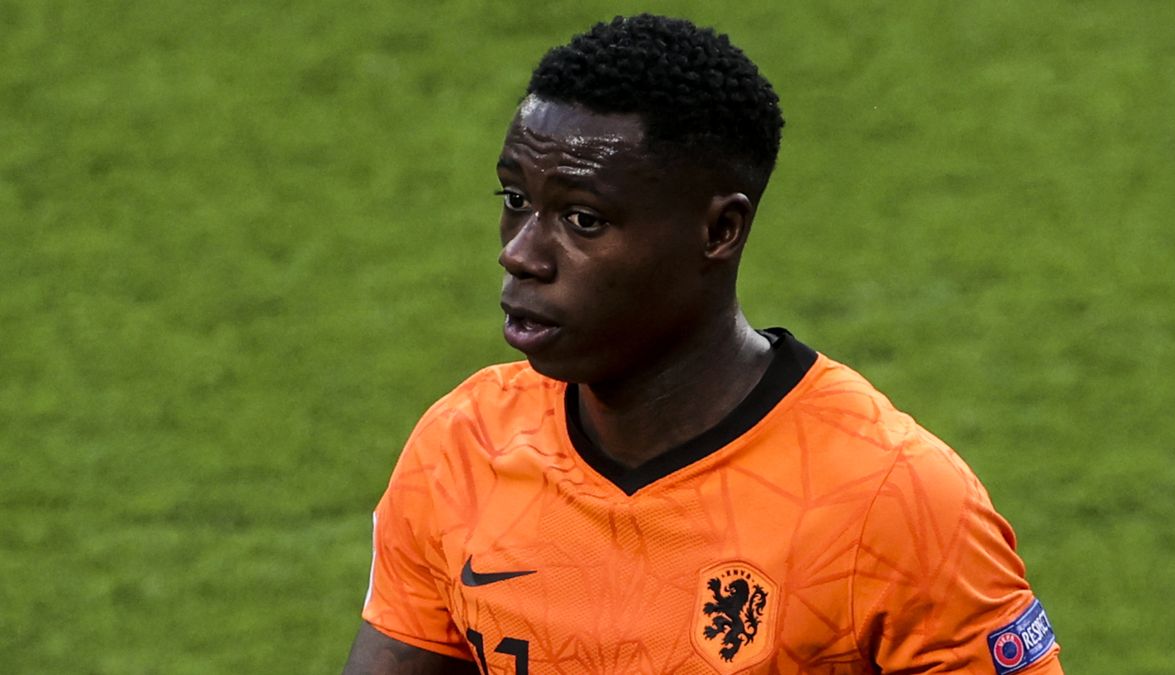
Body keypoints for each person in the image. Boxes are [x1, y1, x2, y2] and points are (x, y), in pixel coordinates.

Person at [342, 14, 1062, 675]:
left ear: (719, 231)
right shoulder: (463, 449)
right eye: (515, 201)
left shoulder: (894, 500)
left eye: (583, 219)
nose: (522, 252)